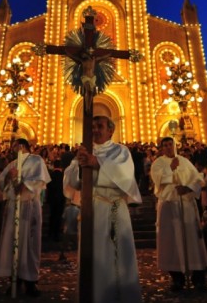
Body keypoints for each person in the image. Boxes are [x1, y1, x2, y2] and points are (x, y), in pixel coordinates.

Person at [63, 115, 142, 302]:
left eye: (100, 126)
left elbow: (124, 175)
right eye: (92, 127)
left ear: (111, 130)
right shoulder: (84, 151)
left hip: (114, 208)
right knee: (94, 256)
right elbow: (72, 182)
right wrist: (79, 165)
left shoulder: (120, 151)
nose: (96, 130)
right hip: (91, 210)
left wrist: (96, 163)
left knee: (118, 256)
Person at [150, 136, 207, 291]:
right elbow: (157, 180)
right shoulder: (158, 163)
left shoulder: (185, 161)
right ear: (162, 148)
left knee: (192, 240)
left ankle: (198, 277)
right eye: (165, 145)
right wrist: (170, 169)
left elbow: (197, 179)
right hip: (169, 205)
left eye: (171, 144)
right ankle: (177, 278)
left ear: (175, 145)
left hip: (186, 204)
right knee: (171, 240)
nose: (169, 147)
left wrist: (188, 187)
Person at [0, 138, 50, 297]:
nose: (13, 149)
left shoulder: (36, 160)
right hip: (13, 207)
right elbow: (0, 183)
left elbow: (38, 180)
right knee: (12, 241)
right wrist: (9, 178)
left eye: (15, 146)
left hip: (29, 206)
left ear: (22, 146)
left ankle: (31, 281)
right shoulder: (11, 164)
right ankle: (14, 279)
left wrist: (21, 183)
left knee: (29, 244)